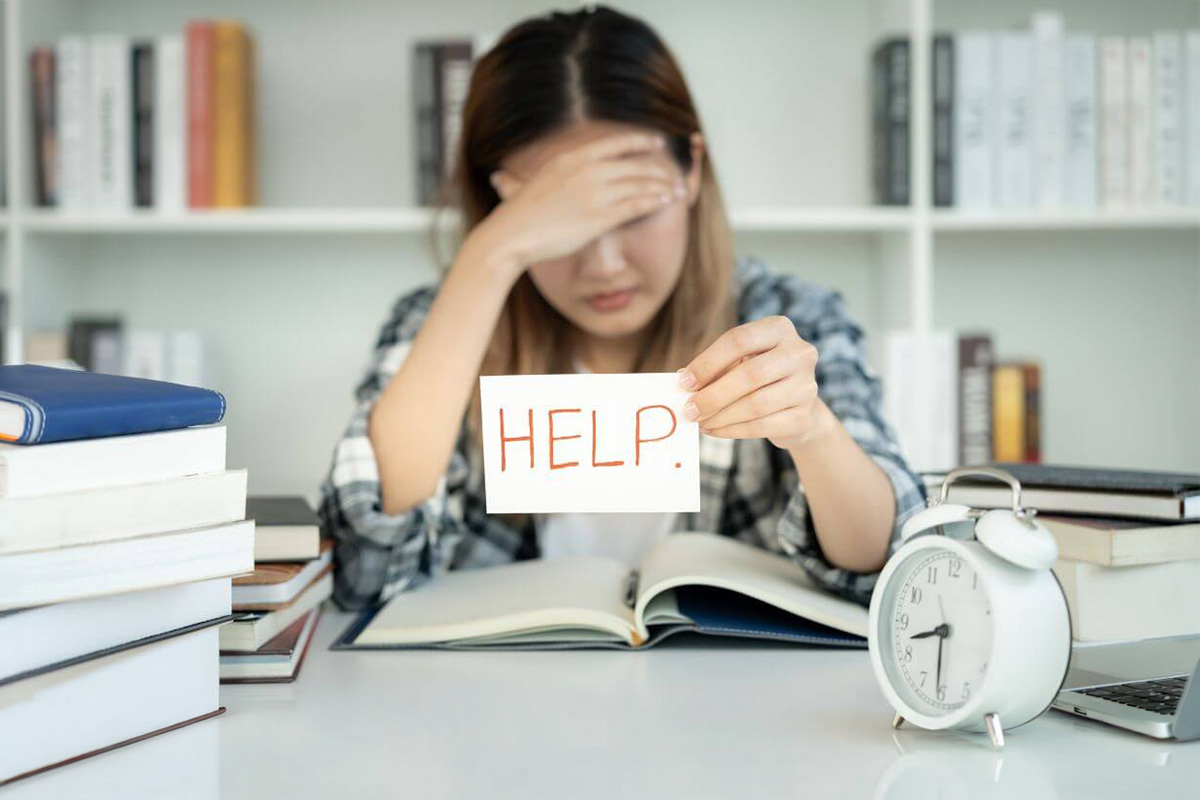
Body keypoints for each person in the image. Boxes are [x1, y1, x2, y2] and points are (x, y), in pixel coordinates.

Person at [319, 5, 926, 611]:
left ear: (691, 169)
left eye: (634, 213)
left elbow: (890, 565)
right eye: (559, 224)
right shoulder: (440, 321)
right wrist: (491, 253)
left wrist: (813, 430)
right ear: (501, 208)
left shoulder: (789, 315)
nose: (605, 265)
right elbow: (366, 566)